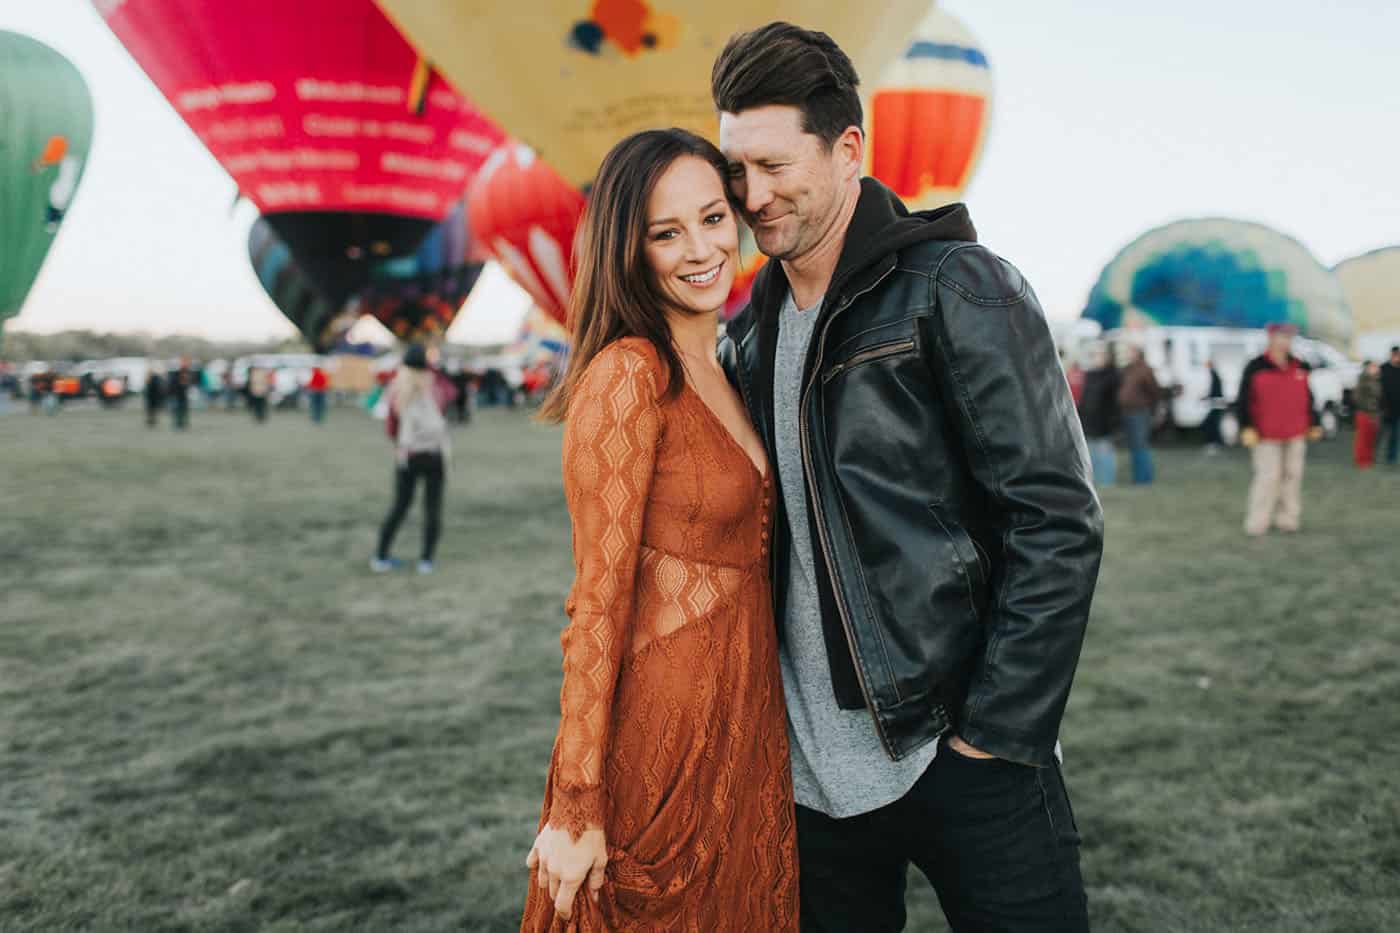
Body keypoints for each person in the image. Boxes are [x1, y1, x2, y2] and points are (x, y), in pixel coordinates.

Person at [713, 23, 1102, 932]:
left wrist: (991, 738)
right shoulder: (746, 332)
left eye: (774, 166)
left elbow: (1055, 520)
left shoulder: (957, 287)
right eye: (737, 172)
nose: (751, 196)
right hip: (810, 784)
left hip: (962, 754)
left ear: (849, 149)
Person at [522, 129, 797, 931]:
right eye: (666, 232)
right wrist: (577, 802)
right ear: (628, 247)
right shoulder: (629, 373)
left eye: (713, 218)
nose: (701, 248)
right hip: (659, 744)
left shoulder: (727, 365)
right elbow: (596, 604)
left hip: (744, 726)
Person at [1237, 323, 1322, 536]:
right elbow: (1244, 400)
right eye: (1280, 336)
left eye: (1289, 337)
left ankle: (1287, 519)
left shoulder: (1300, 366)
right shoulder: (1255, 367)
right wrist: (1246, 426)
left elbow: (1309, 398)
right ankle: (1257, 523)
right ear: (1271, 337)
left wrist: (1314, 422)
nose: (1285, 341)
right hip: (1266, 434)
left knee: (1292, 476)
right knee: (1268, 477)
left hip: (1295, 432)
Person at [373, 345, 450, 575]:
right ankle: (426, 560)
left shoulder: (396, 389)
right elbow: (449, 403)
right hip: (434, 454)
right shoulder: (434, 386)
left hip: (408, 455)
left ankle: (381, 556)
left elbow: (390, 428)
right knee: (432, 508)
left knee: (400, 506)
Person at [1117, 346, 1163, 484]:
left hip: (1140, 412)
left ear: (1139, 354)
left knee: (1140, 445)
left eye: (1131, 352)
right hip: (1127, 411)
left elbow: (1154, 391)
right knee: (1134, 446)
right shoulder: (1127, 370)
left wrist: (1153, 409)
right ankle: (1139, 477)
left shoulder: (1144, 370)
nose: (1128, 355)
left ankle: (1143, 478)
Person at [1078, 344, 1121, 485]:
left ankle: (1106, 481)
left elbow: (1113, 402)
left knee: (1104, 452)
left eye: (1100, 355)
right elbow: (1085, 399)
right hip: (1089, 420)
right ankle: (1093, 481)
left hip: (1104, 421)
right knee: (1091, 452)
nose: (1096, 358)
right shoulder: (1091, 375)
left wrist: (1113, 421)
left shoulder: (1112, 376)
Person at [1352, 360, 1382, 470]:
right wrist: (1365, 407)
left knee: (1371, 438)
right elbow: (1357, 397)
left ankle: (1369, 459)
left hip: (1375, 413)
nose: (1375, 369)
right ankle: (1361, 460)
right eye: (1373, 367)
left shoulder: (1377, 380)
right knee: (1362, 438)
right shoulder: (1362, 380)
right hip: (1364, 413)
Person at [1201, 358, 1226, 453]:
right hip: (1217, 402)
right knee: (1214, 423)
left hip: (1217, 403)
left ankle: (1214, 443)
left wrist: (1206, 397)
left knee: (1211, 423)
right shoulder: (1214, 374)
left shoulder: (1213, 374)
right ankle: (1217, 442)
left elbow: (1214, 390)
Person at [1380, 345, 1400, 466]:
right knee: (1379, 434)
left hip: (1398, 410)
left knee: (1395, 436)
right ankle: (1371, 455)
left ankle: (1391, 458)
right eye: (1396, 355)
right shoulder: (1384, 369)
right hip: (1384, 408)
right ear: (1392, 355)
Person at [168, 357, 193, 430]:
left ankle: (183, 424)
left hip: (184, 395)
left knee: (183, 410)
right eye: (185, 362)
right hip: (176, 395)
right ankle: (177, 425)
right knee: (177, 410)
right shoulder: (176, 372)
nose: (186, 364)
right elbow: (172, 384)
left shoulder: (188, 372)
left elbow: (188, 383)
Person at [143, 362, 166, 428]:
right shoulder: (155, 378)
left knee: (152, 410)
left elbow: (157, 388)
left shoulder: (154, 378)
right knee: (151, 410)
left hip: (152, 397)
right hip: (152, 397)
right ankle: (151, 421)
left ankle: (151, 421)